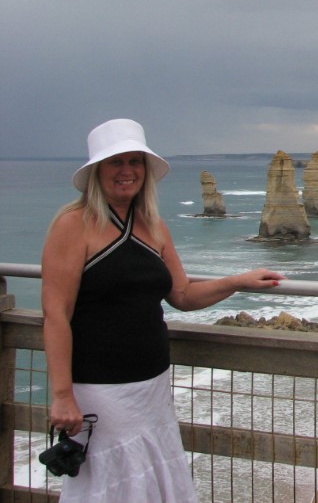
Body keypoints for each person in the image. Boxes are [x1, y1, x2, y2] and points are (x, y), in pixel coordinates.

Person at [41, 118, 285, 502]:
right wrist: (61, 395)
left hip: (152, 384)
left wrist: (236, 281)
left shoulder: (152, 225)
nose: (126, 171)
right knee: (114, 482)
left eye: (135, 161)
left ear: (145, 170)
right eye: (115, 162)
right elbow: (56, 313)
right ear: (96, 172)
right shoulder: (74, 224)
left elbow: (183, 295)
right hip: (101, 390)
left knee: (151, 477)